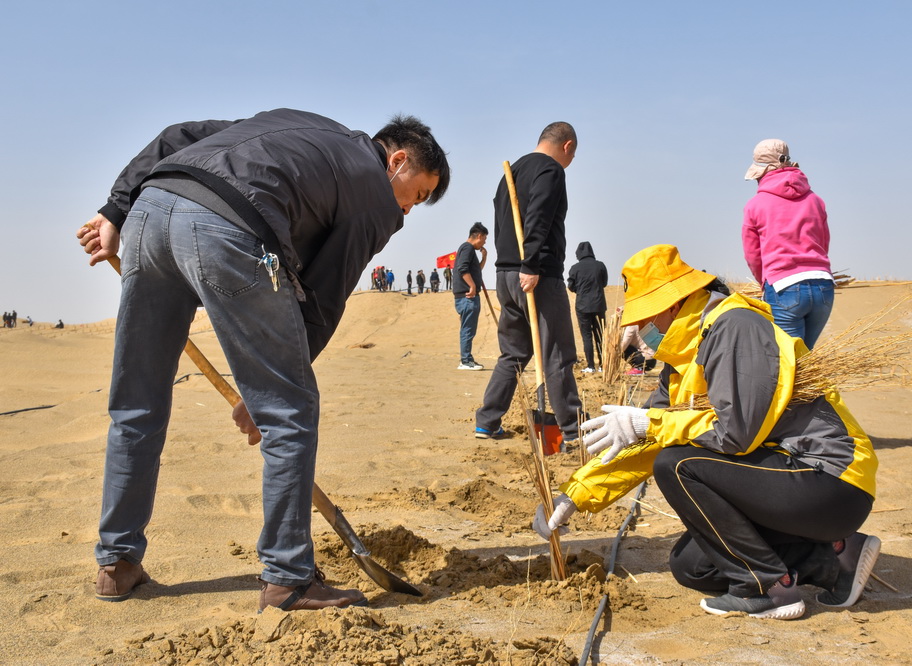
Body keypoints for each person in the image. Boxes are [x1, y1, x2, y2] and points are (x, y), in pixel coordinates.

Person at [75, 108, 450, 612]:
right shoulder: (374, 197)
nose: (406, 211)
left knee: (136, 403)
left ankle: (116, 564)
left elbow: (175, 136)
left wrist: (116, 210)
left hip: (150, 213)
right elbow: (323, 296)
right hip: (225, 227)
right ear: (396, 160)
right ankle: (289, 578)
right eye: (417, 194)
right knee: (291, 415)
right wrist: (275, 386)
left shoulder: (294, 123)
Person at [534, 244, 880, 620]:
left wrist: (647, 423)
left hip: (828, 481)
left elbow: (736, 434)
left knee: (677, 465)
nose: (643, 330)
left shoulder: (737, 327)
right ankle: (834, 558)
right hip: (780, 482)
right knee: (693, 566)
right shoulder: (682, 359)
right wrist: (576, 495)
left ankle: (769, 589)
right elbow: (648, 437)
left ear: (671, 305)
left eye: (647, 318)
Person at [475, 122, 582, 442]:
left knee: (514, 352)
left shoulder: (514, 170)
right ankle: (573, 430)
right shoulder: (550, 170)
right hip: (536, 275)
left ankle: (487, 420)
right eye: (573, 154)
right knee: (558, 353)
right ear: (567, 146)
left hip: (504, 274)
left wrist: (518, 264)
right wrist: (531, 264)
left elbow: (503, 219)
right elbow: (539, 215)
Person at [743, 139, 834, 349]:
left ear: (762, 172)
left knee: (788, 362)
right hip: (823, 285)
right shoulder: (815, 200)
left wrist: (763, 282)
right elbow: (823, 241)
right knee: (804, 359)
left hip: (784, 287)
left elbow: (752, 255)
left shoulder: (755, 205)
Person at [567, 241, 608, 373]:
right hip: (599, 304)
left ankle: (590, 366)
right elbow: (604, 283)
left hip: (582, 306)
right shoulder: (600, 266)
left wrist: (580, 290)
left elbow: (571, 286)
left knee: (587, 336)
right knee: (600, 335)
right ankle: (603, 365)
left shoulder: (575, 268)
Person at [454, 222, 489, 371]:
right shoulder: (467, 247)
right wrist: (472, 286)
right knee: (468, 329)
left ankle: (467, 358)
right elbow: (462, 268)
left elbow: (476, 270)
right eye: (484, 239)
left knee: (468, 329)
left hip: (466, 296)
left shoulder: (467, 249)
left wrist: (484, 257)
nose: (484, 242)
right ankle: (465, 360)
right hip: (468, 297)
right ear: (479, 236)